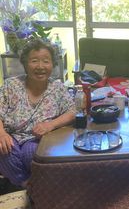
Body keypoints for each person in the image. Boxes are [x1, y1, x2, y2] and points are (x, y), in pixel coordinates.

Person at [0, 39, 76, 188]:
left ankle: (27, 186)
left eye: (46, 61)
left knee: (32, 153)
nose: (40, 66)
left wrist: (50, 125)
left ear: (52, 65)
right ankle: (29, 185)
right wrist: (1, 133)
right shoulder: (11, 85)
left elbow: (73, 111)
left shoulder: (57, 87)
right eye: (34, 61)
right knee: (4, 150)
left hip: (36, 138)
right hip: (11, 135)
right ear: (25, 64)